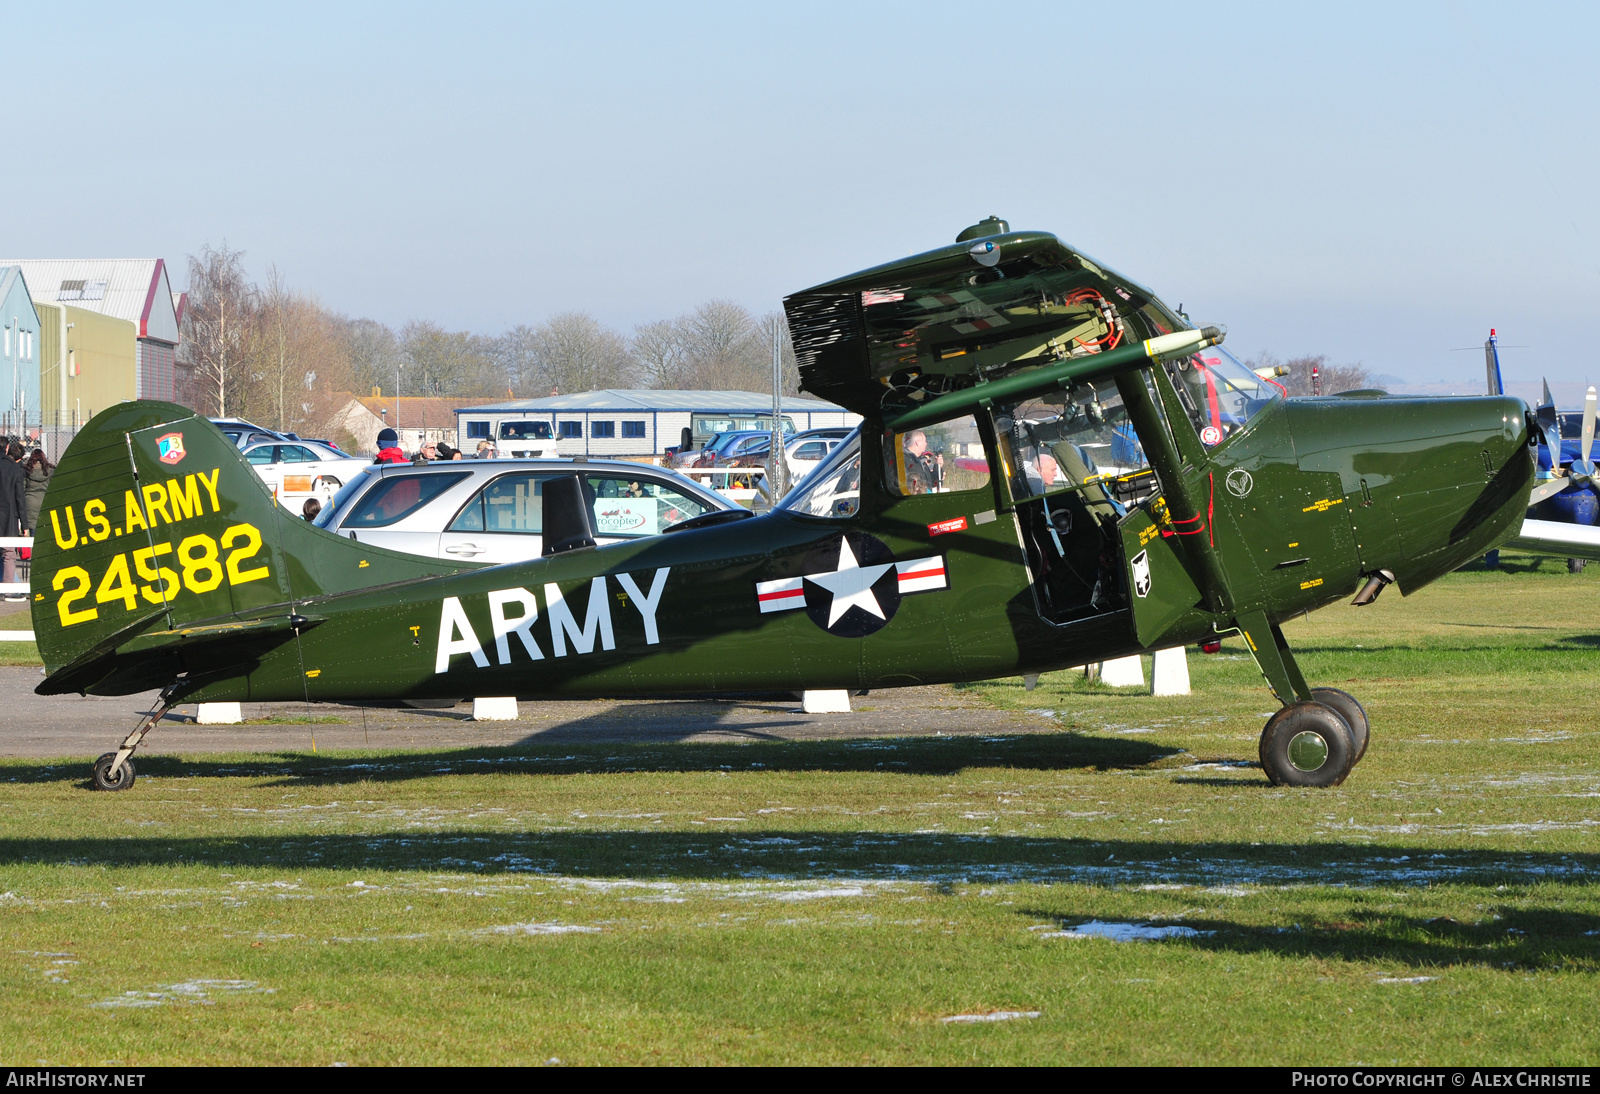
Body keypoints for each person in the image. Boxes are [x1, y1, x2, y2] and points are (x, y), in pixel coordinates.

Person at [0, 444, 25, 601]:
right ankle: (8, 589)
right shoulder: (15, 470)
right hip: (8, 517)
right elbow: (20, 500)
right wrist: (25, 525)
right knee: (9, 553)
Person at [23, 449, 51, 536]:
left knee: (33, 529)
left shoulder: (26, 469)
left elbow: (23, 487)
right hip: (45, 500)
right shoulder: (50, 470)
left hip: (30, 501)